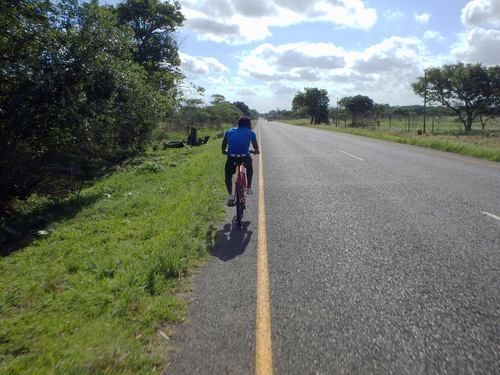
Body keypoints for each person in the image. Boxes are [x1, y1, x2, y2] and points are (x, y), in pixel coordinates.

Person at [221, 116, 260, 206]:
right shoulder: (251, 132)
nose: (250, 125)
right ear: (246, 124)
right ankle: (249, 187)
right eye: (250, 123)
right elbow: (255, 146)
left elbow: (223, 146)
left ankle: (230, 195)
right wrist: (256, 151)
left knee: (228, 175)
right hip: (244, 157)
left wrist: (224, 152)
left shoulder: (229, 131)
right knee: (249, 167)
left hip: (232, 157)